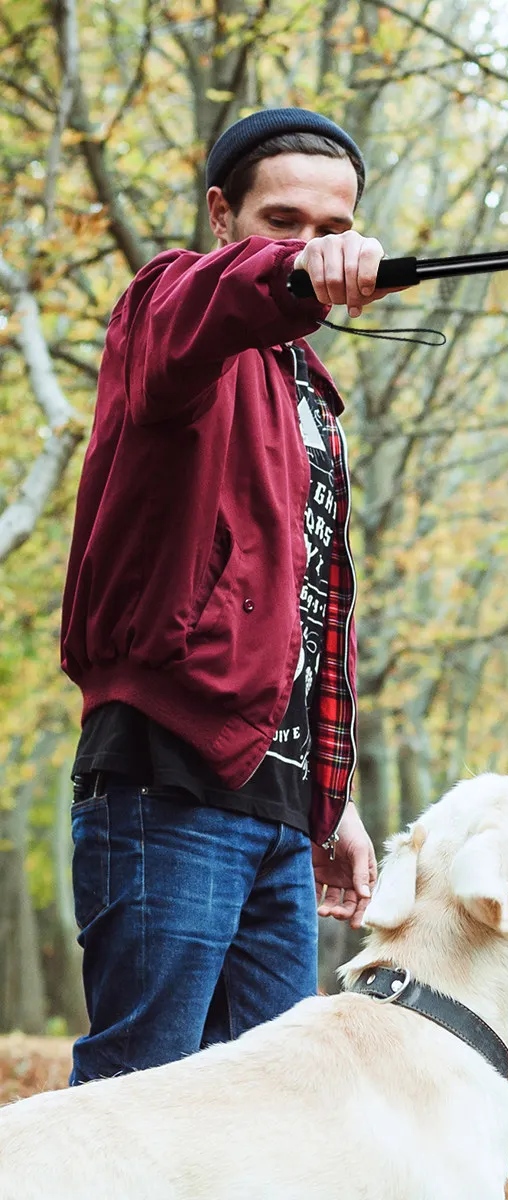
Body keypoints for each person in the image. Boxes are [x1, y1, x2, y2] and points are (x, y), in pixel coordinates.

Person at [59, 108, 397, 1084]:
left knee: (277, 1117)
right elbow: (207, 306)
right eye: (282, 221)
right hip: (166, 783)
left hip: (279, 813)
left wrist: (329, 803)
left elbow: (298, 613)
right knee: (141, 1104)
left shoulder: (311, 396)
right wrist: (285, 275)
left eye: (334, 231)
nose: (310, 249)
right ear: (222, 215)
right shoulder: (170, 317)